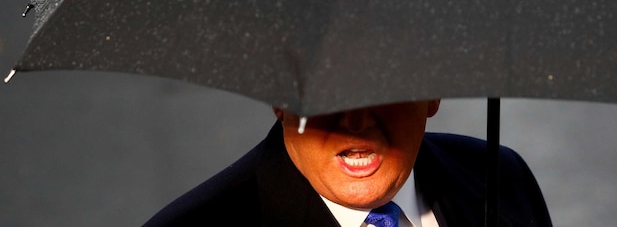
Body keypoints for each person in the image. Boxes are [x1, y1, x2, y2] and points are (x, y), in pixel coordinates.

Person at [143, 100, 552, 226]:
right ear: (280, 101)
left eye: (384, 83)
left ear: (432, 94)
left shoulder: (501, 177)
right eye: (329, 93)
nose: (356, 121)